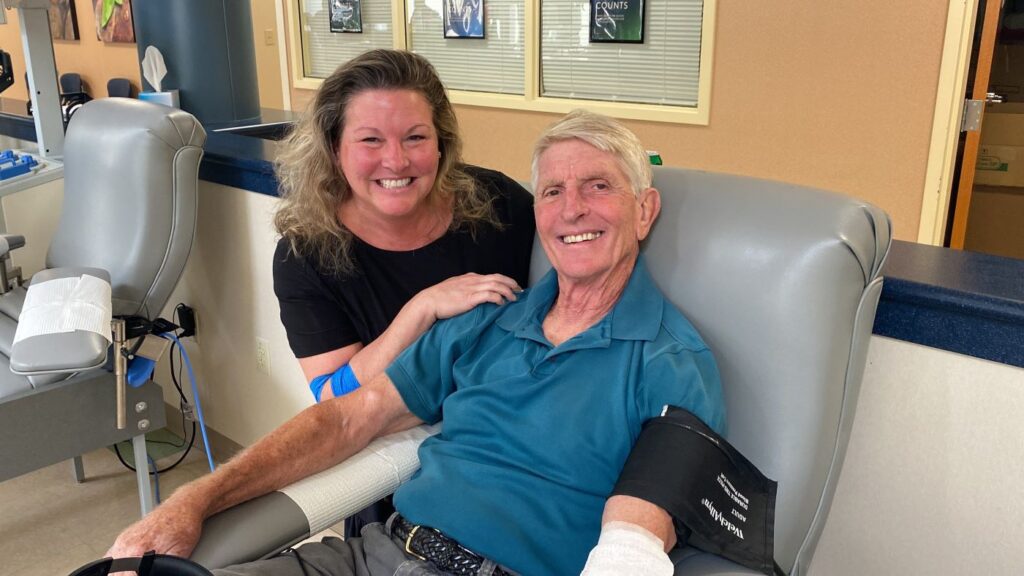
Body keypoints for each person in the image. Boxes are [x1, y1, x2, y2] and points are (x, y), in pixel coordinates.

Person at [107, 110, 725, 576]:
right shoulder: (489, 315)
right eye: (554, 192)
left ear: (644, 211)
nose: (571, 211)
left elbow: (638, 530)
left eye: (598, 187)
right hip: (375, 555)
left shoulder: (671, 361)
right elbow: (350, 416)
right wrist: (193, 497)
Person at [271, 49, 535, 536]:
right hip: (394, 485)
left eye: (415, 137)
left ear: (441, 145)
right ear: (335, 148)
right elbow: (335, 398)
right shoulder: (307, 255)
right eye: (370, 140)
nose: (396, 160)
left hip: (511, 461)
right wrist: (421, 310)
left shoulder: (502, 209)